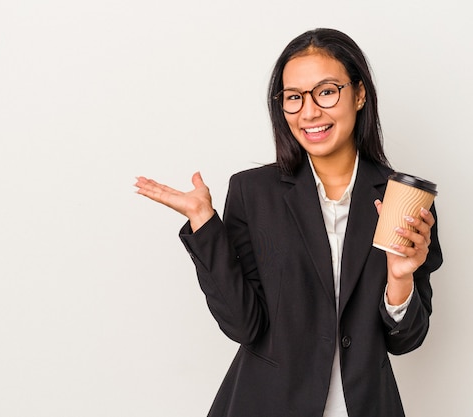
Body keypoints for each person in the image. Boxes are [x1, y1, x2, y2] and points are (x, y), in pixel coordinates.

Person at [135, 28, 442, 417]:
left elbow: (406, 340)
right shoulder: (253, 192)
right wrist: (203, 222)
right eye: (294, 98)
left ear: (360, 94)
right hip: (265, 404)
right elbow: (244, 326)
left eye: (326, 91)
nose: (309, 111)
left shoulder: (405, 201)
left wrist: (400, 278)